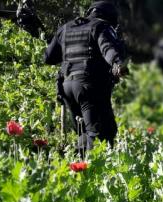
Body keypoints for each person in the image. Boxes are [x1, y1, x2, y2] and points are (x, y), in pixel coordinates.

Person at [43, 1, 129, 155]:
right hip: (88, 88)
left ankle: (78, 168)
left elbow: (48, 57)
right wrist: (117, 64)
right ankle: (94, 171)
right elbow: (107, 48)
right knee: (100, 134)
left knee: (84, 132)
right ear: (109, 17)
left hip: (67, 87)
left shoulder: (66, 28)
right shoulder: (101, 26)